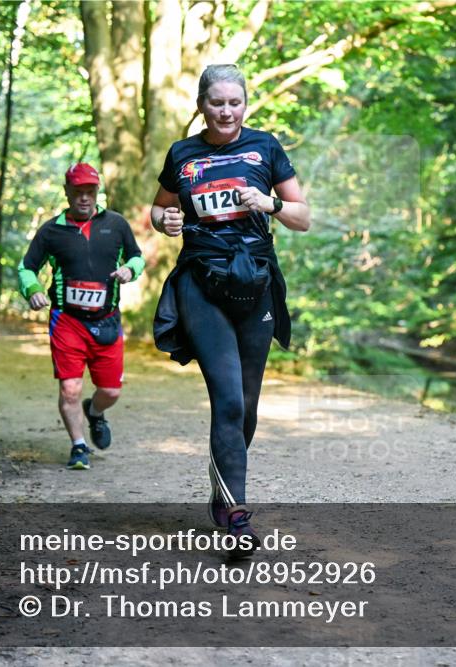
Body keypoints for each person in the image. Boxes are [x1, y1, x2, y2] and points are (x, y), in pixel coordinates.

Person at [151, 64, 310, 556]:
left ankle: (221, 487)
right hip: (202, 286)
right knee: (229, 398)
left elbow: (302, 217)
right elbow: (158, 209)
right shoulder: (183, 154)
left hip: (254, 284)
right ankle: (237, 514)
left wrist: (268, 202)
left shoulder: (266, 147)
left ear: (245, 104)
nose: (226, 111)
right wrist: (166, 219)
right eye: (216, 102)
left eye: (234, 102)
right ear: (201, 105)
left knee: (248, 404)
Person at [18, 163, 145, 470]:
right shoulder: (51, 231)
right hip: (67, 321)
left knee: (111, 391)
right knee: (70, 388)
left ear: (97, 192)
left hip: (107, 320)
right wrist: (32, 289)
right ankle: (78, 446)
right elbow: (26, 268)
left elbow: (137, 256)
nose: (84, 198)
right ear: (67, 193)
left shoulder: (115, 224)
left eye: (90, 192)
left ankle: (96, 413)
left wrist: (130, 270)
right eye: (78, 192)